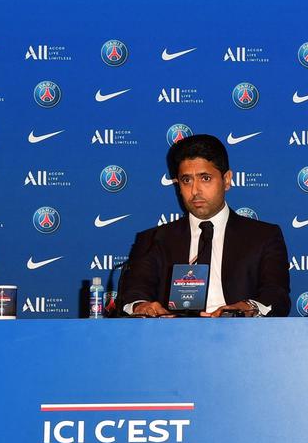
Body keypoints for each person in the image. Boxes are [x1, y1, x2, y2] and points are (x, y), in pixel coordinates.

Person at [119, 134, 290, 317]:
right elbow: (133, 294)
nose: (195, 191)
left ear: (227, 180)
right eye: (186, 180)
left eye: (205, 178)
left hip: (241, 336)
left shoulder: (263, 237)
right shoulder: (154, 240)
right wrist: (142, 307)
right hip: (172, 338)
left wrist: (245, 308)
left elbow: (276, 296)